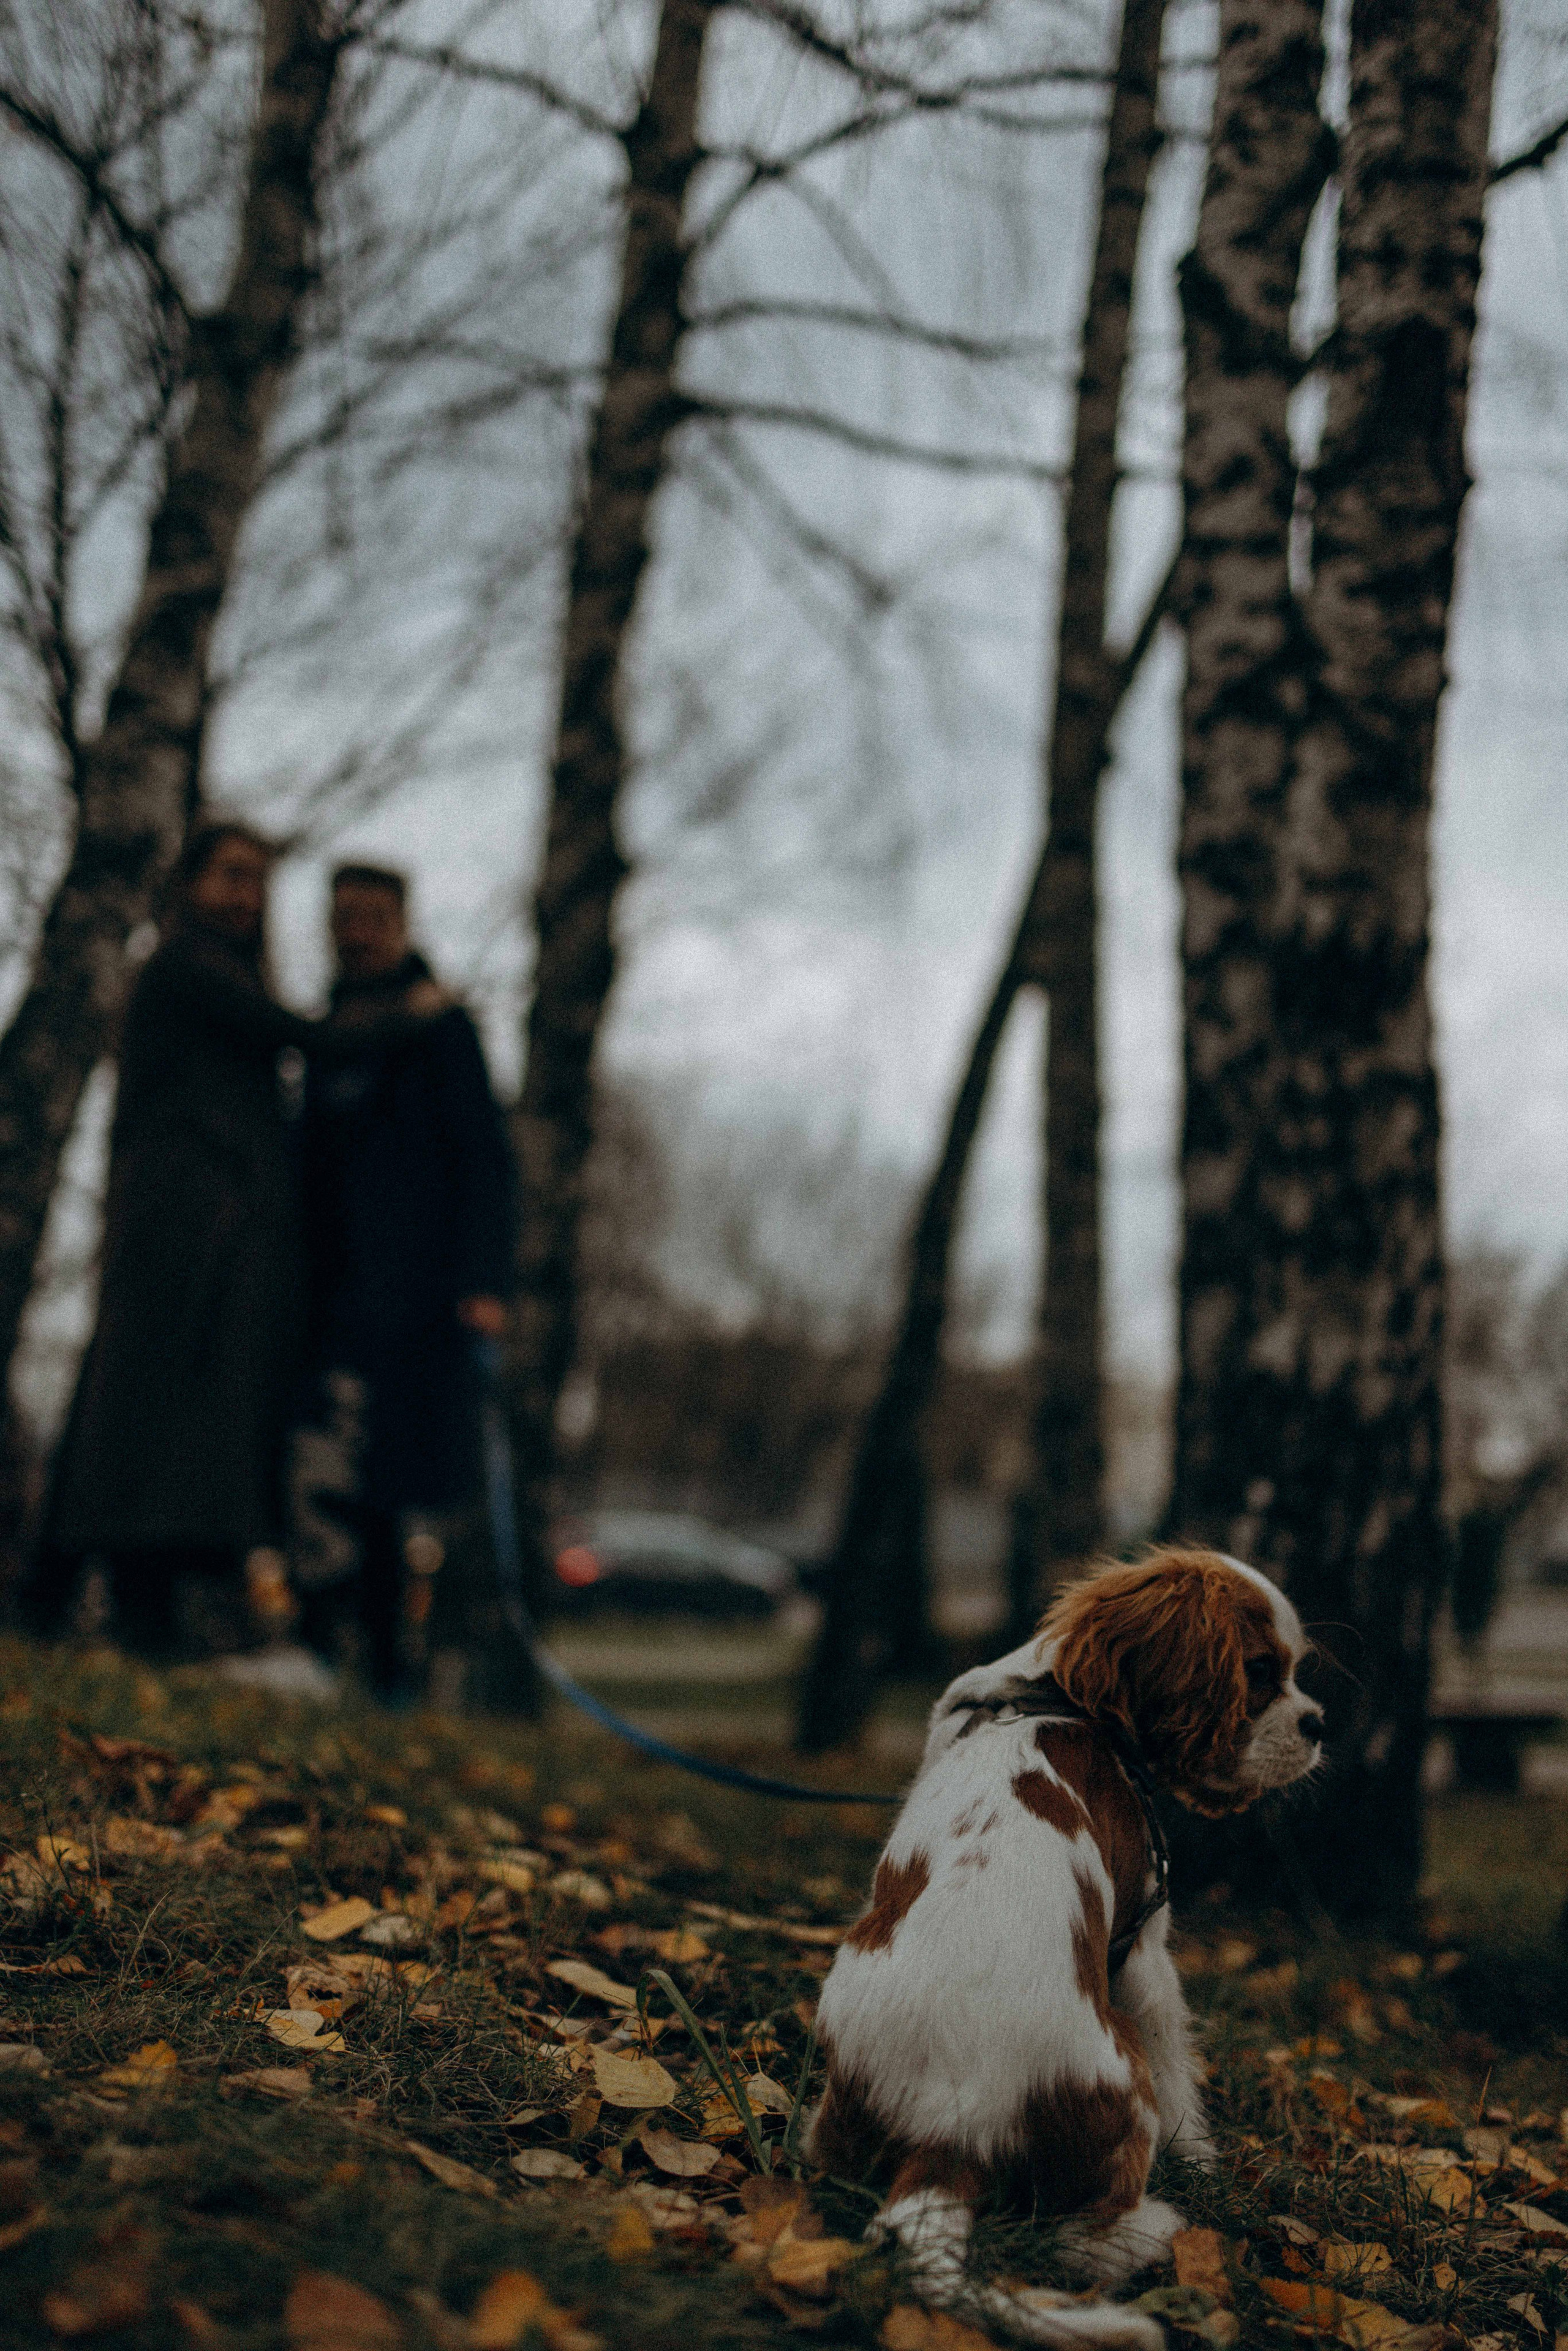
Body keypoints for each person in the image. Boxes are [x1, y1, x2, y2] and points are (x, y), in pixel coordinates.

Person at [29, 822, 442, 1658]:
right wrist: (413, 1008)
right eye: (229, 875)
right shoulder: (187, 967)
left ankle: (145, 1595)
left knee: (189, 1414)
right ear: (189, 883)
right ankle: (114, 1591)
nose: (244, 895)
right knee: (152, 1405)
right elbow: (307, 1036)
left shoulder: (218, 970)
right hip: (181, 1227)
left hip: (216, 1227)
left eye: (256, 880)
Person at [293, 863, 516, 1700]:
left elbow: (484, 1156)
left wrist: (483, 1280)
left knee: (393, 1482)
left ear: (401, 923)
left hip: (419, 1295)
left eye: (374, 916)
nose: (357, 931)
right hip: (330, 1296)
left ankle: (391, 1666)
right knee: (322, 1469)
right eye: (344, 916)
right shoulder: (326, 1032)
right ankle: (320, 1643)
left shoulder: (443, 1026)